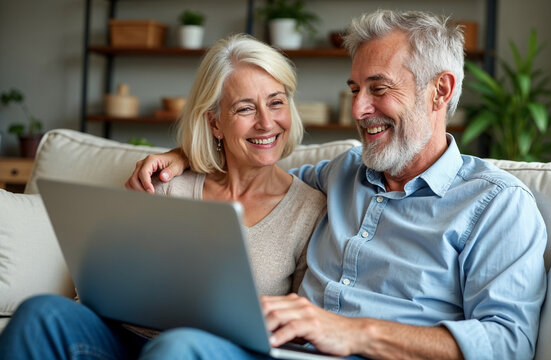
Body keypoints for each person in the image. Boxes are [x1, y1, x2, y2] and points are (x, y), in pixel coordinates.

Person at [126, 9, 548, 360]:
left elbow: (509, 343)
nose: (360, 110)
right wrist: (187, 157)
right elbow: (259, 179)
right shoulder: (342, 171)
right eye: (354, 90)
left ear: (440, 90)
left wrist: (356, 333)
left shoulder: (496, 204)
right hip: (277, 352)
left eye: (378, 89)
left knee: (178, 350)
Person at [0, 34, 326, 359]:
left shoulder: (310, 210)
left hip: (215, 352)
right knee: (40, 313)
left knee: (176, 347)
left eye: (276, 102)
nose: (266, 123)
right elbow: (101, 287)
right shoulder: (168, 184)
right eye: (245, 108)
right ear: (215, 123)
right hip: (126, 337)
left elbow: (298, 336)